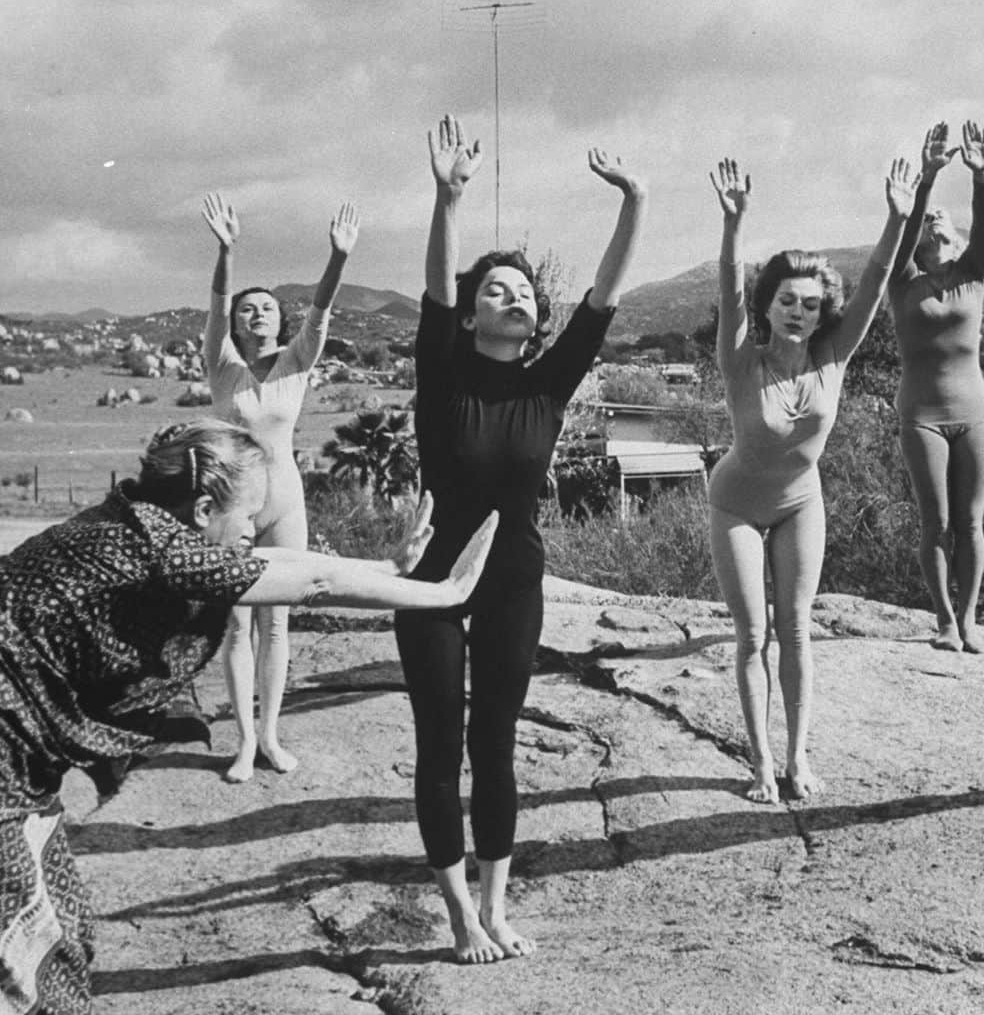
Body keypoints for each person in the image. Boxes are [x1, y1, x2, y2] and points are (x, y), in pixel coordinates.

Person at [0, 418, 497, 1015]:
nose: (254, 528)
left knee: (60, 929)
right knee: (34, 950)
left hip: (21, 775)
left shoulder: (135, 518)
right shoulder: (161, 550)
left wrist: (388, 570)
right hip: (6, 776)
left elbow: (274, 561)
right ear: (205, 507)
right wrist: (446, 592)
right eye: (248, 515)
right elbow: (312, 581)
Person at [393, 114, 646, 964]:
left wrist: (634, 203)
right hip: (430, 580)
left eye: (524, 291)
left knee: (495, 741)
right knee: (440, 742)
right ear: (470, 318)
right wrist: (447, 197)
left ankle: (497, 908)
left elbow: (602, 301)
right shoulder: (444, 377)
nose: (515, 297)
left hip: (513, 579)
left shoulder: (548, 385)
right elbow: (434, 292)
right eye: (495, 290)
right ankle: (457, 914)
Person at [707, 154, 920, 805]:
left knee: (796, 631)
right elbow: (726, 285)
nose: (799, 311)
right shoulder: (742, 358)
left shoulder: (834, 352)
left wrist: (895, 217)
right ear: (767, 307)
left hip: (801, 503)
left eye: (810, 302)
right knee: (752, 636)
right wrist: (734, 223)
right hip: (738, 505)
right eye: (786, 301)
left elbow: (877, 280)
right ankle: (761, 766)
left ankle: (798, 759)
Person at [201, 194, 358, 782]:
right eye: (249, 310)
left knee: (278, 622)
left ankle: (270, 735)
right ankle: (243, 741)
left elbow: (320, 314)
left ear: (279, 321)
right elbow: (216, 307)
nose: (257, 315)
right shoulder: (222, 365)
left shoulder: (297, 363)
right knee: (237, 624)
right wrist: (227, 250)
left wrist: (337, 259)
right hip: (232, 507)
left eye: (267, 308)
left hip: (286, 503)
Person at [889, 121, 984, 654]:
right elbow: (904, 237)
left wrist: (981, 177)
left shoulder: (973, 272)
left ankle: (971, 618)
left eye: (941, 219)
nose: (935, 223)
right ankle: (945, 621)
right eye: (928, 220)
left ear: (952, 234)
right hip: (923, 414)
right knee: (938, 522)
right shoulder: (903, 280)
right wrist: (927, 179)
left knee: (972, 521)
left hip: (974, 412)